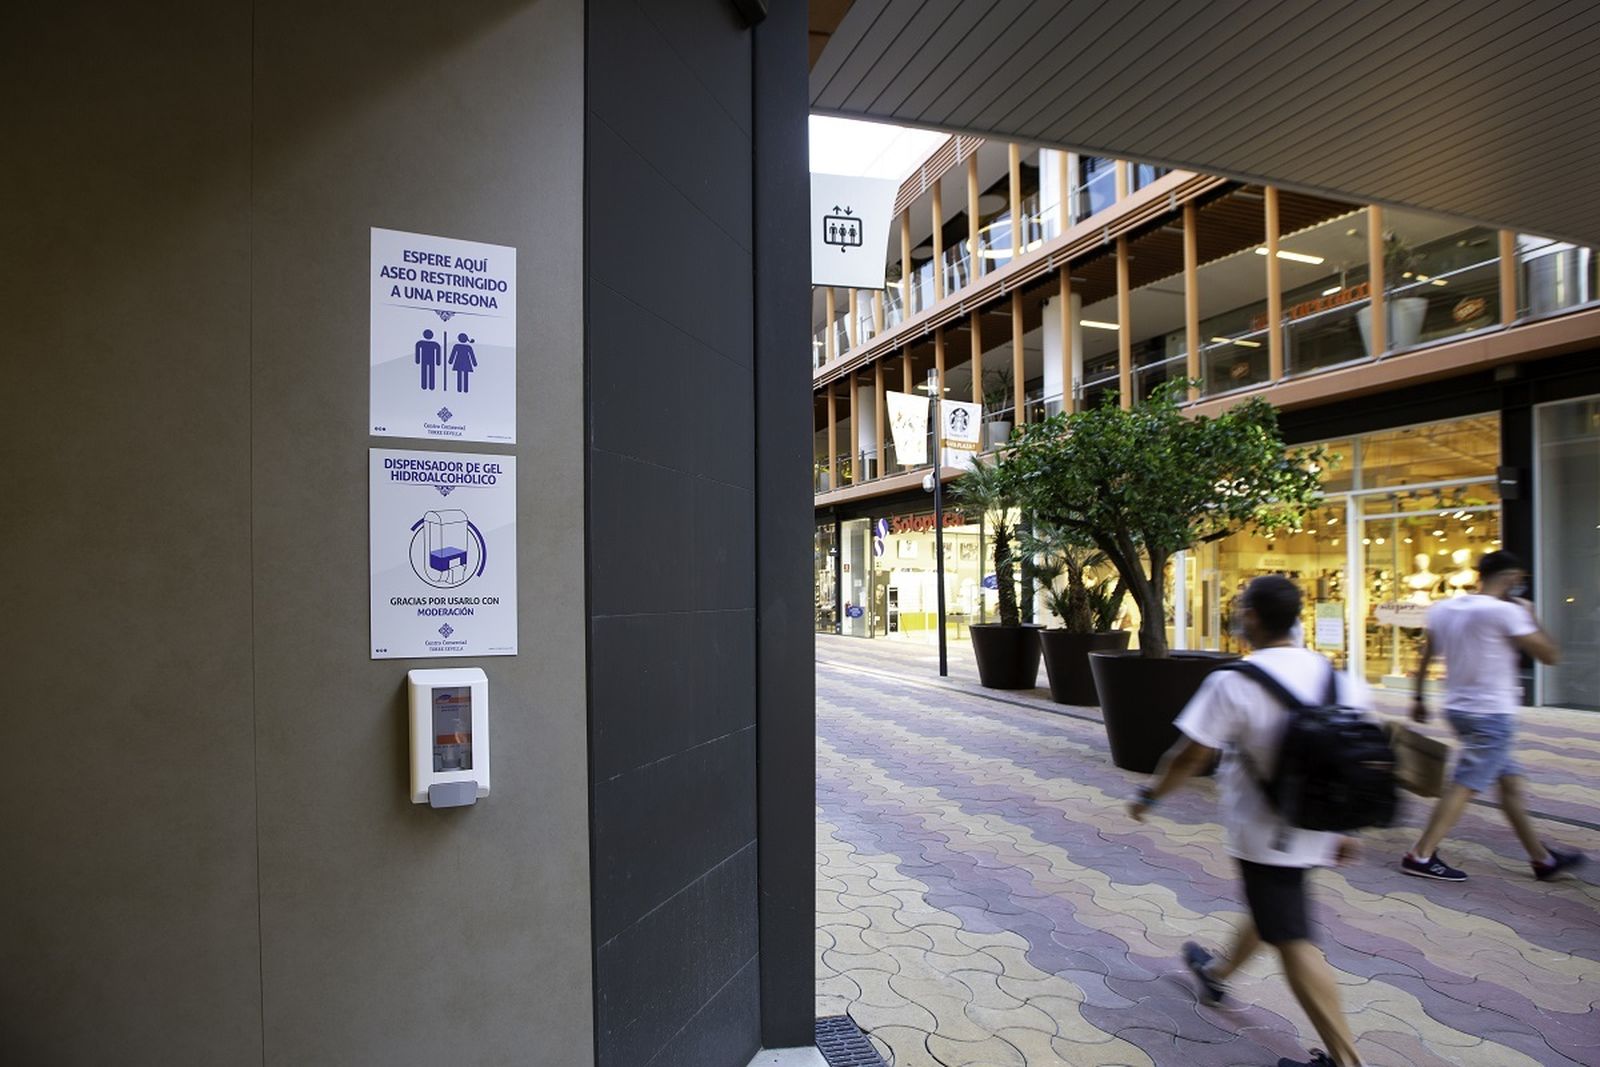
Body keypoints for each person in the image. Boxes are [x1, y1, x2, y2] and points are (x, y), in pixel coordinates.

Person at [1129, 575, 1365, 1067]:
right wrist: (1348, 827)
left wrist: (1150, 797)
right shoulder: (1334, 675)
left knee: (1292, 937)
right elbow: (1354, 757)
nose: (1237, 615)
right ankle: (1217, 973)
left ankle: (1347, 1060)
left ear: (1253, 617)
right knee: (1273, 908)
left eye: (1239, 608)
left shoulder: (1234, 681)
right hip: (1319, 823)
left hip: (1265, 832)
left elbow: (1191, 756)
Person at [1401, 550, 1585, 882]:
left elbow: (1427, 653)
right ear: (1512, 579)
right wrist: (1530, 615)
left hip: (1458, 709)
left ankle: (1542, 860)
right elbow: (1550, 655)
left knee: (1510, 783)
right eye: (1520, 580)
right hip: (1490, 715)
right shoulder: (1504, 613)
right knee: (1466, 784)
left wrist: (1417, 696)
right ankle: (1421, 854)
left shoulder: (1444, 608)